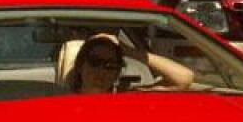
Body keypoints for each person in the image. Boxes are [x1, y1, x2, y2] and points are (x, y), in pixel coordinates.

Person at [65, 33, 194, 94]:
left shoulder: (128, 97)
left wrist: (127, 50)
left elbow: (184, 78)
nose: (102, 70)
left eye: (110, 65)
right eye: (95, 62)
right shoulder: (59, 98)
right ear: (80, 67)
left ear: (117, 74)